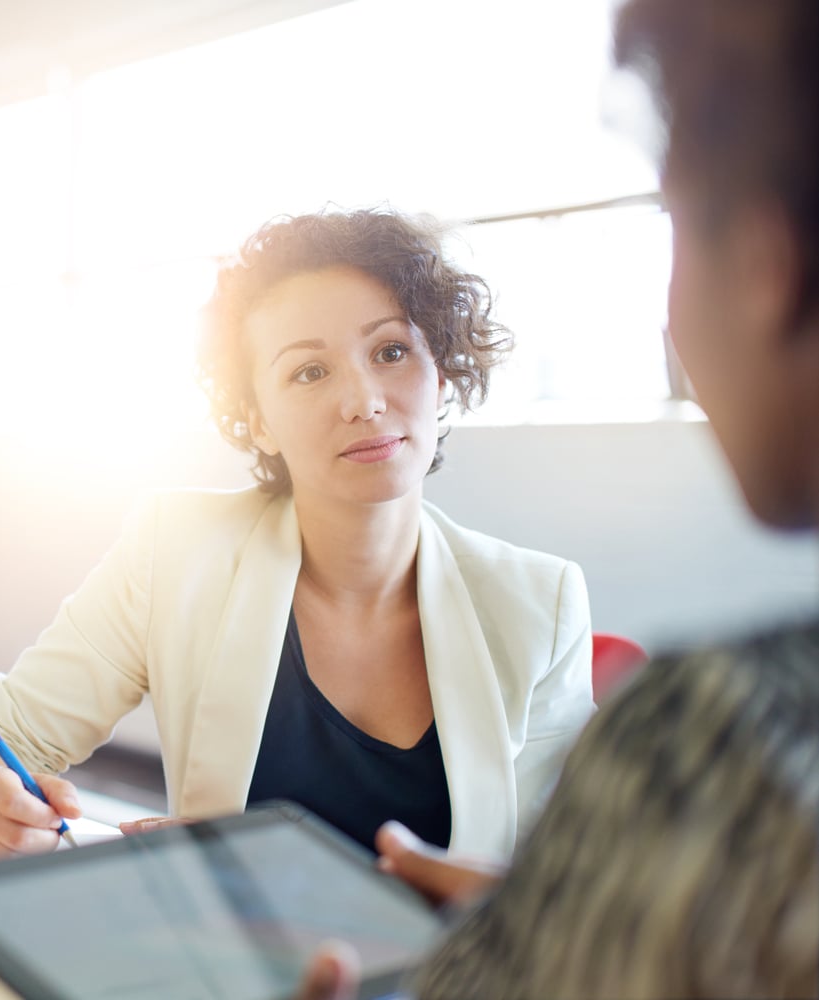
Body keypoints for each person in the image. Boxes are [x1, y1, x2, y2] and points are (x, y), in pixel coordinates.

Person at [300, 0, 819, 997]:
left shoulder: (726, 745)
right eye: (309, 370)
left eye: (674, 227)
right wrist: (567, 905)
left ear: (766, 265)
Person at [0, 208, 595, 865]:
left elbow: (568, 879)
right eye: (309, 372)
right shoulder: (177, 551)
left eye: (391, 352)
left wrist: (289, 877)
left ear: (442, 376)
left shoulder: (540, 604)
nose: (363, 401)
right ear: (257, 420)